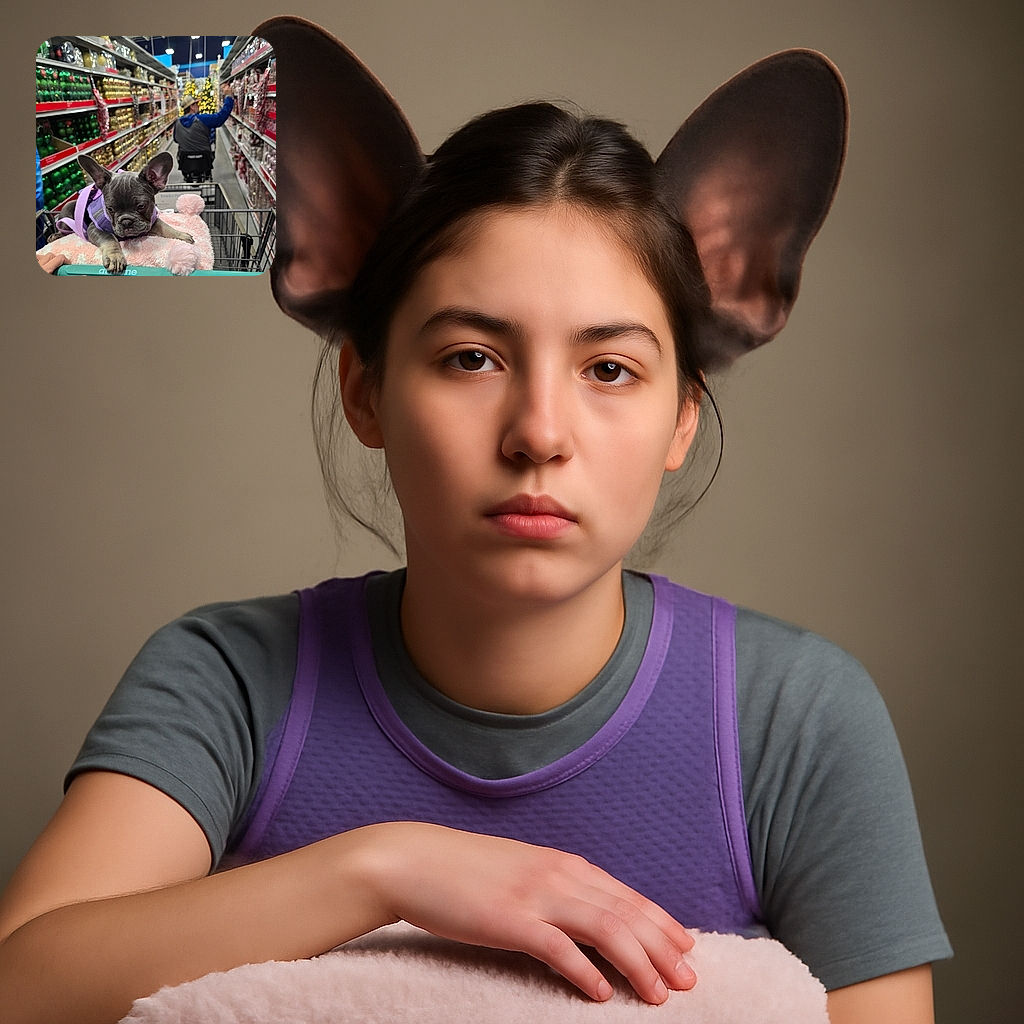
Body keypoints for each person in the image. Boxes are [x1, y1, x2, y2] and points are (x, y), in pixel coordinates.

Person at [0, 18, 951, 1024]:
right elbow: (21, 983)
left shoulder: (798, 720)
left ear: (682, 416)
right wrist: (386, 868)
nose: (539, 432)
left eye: (609, 370)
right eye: (470, 358)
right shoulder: (225, 677)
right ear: (364, 391)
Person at [173, 82, 234, 183]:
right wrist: (228, 97)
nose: (199, 105)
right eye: (197, 103)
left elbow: (176, 139)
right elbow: (220, 117)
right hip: (204, 160)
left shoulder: (177, 122)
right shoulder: (202, 119)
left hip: (185, 161)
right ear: (192, 106)